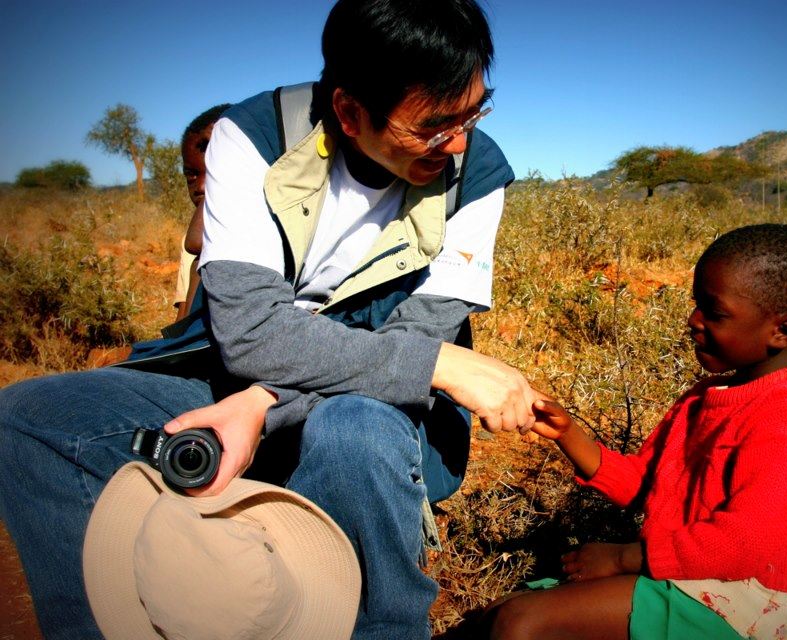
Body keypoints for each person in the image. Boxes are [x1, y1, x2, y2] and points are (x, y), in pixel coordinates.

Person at [0, 2, 536, 639]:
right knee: (29, 418)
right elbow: (253, 333)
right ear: (349, 112)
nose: (460, 143)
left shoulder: (477, 174)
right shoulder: (252, 138)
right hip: (237, 376)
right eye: (434, 126)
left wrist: (264, 404)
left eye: (474, 112)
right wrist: (440, 364)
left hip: (376, 409)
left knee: (355, 430)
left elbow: (406, 351)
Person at [488, 223, 787, 640]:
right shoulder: (706, 397)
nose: (693, 321)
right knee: (498, 614)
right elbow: (649, 485)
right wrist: (568, 434)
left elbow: (745, 544)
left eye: (714, 313)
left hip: (744, 600)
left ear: (782, 331)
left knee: (521, 623)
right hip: (688, 575)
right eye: (697, 305)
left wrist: (622, 559)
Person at [172, 103, 231, 320]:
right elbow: (183, 315)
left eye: (214, 172)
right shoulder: (189, 237)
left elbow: (195, 243)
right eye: (192, 176)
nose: (201, 187)